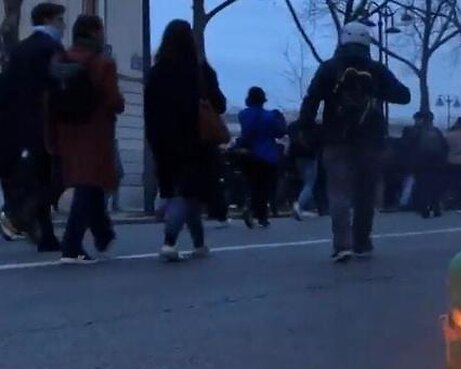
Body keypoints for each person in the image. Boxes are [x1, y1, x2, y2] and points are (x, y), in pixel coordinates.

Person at [299, 21, 410, 262]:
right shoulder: (377, 69)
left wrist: (306, 130)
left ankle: (342, 245)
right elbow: (404, 96)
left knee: (338, 192)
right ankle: (362, 241)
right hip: (370, 141)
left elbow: (311, 100)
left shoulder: (328, 69)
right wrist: (379, 90)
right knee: (365, 193)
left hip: (335, 139)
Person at [144, 19, 227, 262]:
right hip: (196, 141)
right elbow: (219, 104)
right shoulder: (200, 71)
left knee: (184, 193)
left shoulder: (157, 72)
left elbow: (150, 110)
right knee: (188, 193)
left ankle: (200, 244)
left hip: (164, 141)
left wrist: (154, 140)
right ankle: (169, 241)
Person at [47, 12, 124, 264]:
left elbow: (49, 100)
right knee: (88, 185)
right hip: (95, 132)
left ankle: (103, 236)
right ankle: (72, 247)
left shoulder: (60, 59)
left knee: (87, 184)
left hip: (66, 131)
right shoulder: (103, 64)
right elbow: (114, 101)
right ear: (94, 33)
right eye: (100, 30)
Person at [0, 2, 67, 251]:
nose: (63, 25)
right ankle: (16, 214)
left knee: (38, 178)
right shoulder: (52, 48)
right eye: (61, 19)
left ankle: (46, 236)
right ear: (49, 20)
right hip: (44, 125)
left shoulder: (20, 49)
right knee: (55, 178)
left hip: (16, 126)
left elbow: (5, 87)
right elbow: (58, 87)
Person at [237, 86, 287, 228]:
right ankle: (261, 215)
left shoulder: (243, 115)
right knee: (265, 186)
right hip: (267, 155)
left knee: (252, 184)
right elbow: (280, 132)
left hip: (248, 154)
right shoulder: (270, 116)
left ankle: (250, 207)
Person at [413, 111, 448, 218]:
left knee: (423, 186)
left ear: (421, 120)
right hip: (437, 163)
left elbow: (411, 147)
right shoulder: (437, 131)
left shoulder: (417, 131)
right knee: (435, 186)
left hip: (422, 163)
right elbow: (445, 146)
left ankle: (424, 209)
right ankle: (436, 208)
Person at [287, 119, 320, 219]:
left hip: (296, 156)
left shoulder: (293, 125)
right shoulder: (314, 126)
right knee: (310, 183)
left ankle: (309, 207)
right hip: (310, 156)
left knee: (306, 181)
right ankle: (300, 206)